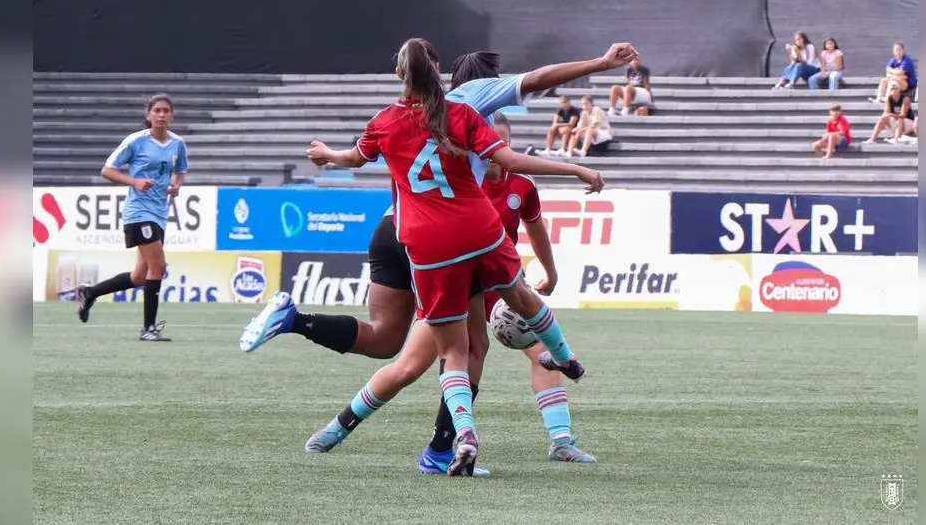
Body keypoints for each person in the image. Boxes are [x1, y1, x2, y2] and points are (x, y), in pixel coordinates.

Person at [238, 41, 638, 474]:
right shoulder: (468, 105)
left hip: (396, 232)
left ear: (400, 74)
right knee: (461, 349)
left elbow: (356, 155)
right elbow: (536, 84)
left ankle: (298, 328)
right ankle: (447, 446)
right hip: (451, 239)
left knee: (388, 341)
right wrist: (600, 65)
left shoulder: (389, 119)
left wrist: (331, 156)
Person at [74, 94, 189, 341]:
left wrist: (177, 185)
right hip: (138, 212)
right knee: (158, 266)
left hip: (159, 214)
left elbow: (180, 171)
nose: (161, 115)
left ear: (172, 115)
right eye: (156, 110)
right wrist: (134, 181)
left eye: (166, 111)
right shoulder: (136, 141)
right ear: (148, 115)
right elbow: (107, 170)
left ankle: (89, 293)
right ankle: (148, 329)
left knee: (139, 276)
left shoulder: (178, 143)